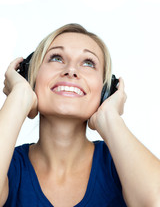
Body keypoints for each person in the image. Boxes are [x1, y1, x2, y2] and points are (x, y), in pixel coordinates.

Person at [0, 23, 160, 207]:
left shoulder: (121, 166)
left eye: (88, 63)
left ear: (105, 91)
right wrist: (20, 95)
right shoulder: (9, 167)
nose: (71, 70)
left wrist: (109, 117)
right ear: (31, 78)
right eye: (57, 58)